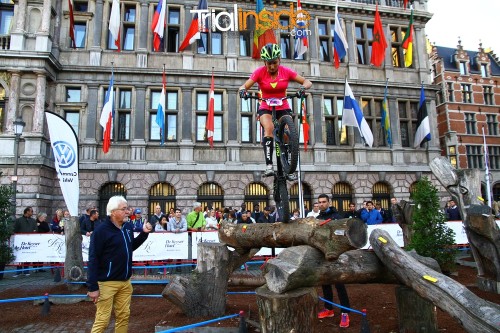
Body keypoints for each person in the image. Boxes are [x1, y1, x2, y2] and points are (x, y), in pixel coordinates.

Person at [239, 43, 312, 177]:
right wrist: (243, 91)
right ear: (264, 62)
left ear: (279, 60)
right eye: (269, 63)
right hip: (265, 106)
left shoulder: (286, 71)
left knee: (288, 132)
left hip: (283, 105)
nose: (272, 67)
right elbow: (244, 86)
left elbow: (307, 82)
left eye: (274, 63)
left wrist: (303, 88)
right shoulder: (259, 72)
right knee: (269, 128)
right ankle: (268, 165)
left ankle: (289, 163)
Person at [87, 195, 152, 333]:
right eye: (124, 209)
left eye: (127, 208)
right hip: (106, 283)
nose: (128, 211)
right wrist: (93, 287)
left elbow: (130, 246)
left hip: (125, 282)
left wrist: (144, 234)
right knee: (102, 321)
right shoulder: (101, 231)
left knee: (124, 317)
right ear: (113, 212)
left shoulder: (127, 226)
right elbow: (93, 259)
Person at [315, 194, 350, 328]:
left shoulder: (337, 217)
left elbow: (342, 235)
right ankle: (328, 308)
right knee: (325, 282)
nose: (321, 204)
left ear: (329, 202)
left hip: (337, 255)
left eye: (324, 202)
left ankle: (345, 313)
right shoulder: (317, 219)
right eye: (319, 202)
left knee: (339, 285)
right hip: (323, 255)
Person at [13, 207, 37, 277]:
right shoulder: (19, 220)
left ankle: (26, 270)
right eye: (31, 211)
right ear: (27, 212)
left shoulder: (33, 221)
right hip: (20, 241)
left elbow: (36, 229)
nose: (32, 213)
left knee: (27, 255)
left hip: (30, 241)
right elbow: (15, 229)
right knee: (19, 255)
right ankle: (18, 271)